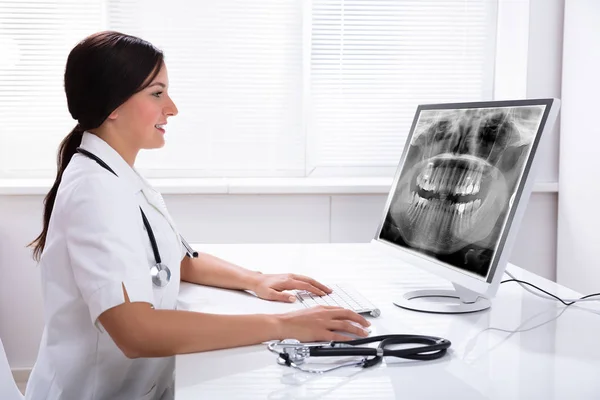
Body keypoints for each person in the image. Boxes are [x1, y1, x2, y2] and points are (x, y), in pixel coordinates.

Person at [25, 31, 370, 400]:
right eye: (157, 94)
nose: (171, 108)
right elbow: (136, 332)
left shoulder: (117, 176)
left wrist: (255, 279)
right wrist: (282, 324)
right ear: (113, 104)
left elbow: (172, 258)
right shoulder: (94, 192)